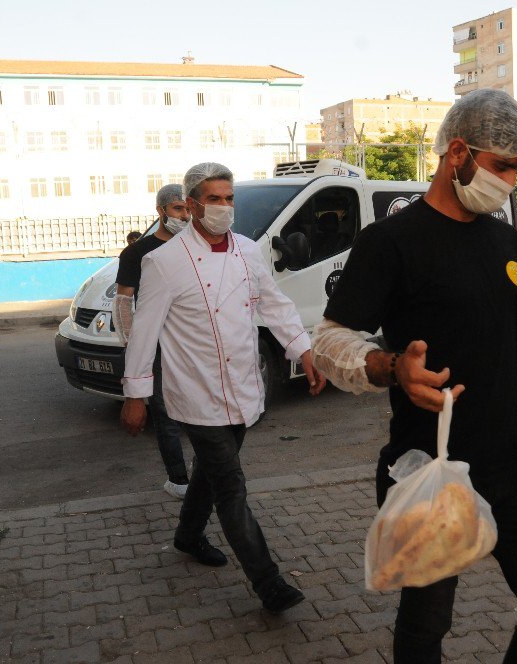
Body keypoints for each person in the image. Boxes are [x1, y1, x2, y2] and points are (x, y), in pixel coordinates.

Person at [313, 89, 517, 663]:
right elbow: (331, 340)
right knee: (426, 626)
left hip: (512, 461)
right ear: (457, 153)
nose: (511, 180)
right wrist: (391, 367)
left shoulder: (501, 235)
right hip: (428, 467)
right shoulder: (390, 241)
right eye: (503, 166)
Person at [120, 162, 326, 614]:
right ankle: (268, 582)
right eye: (214, 199)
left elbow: (274, 303)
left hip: (245, 386)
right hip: (196, 393)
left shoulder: (250, 252)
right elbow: (145, 332)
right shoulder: (163, 262)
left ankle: (187, 535)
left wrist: (303, 350)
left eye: (230, 198)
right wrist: (136, 395)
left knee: (213, 474)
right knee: (231, 485)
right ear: (192, 204)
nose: (224, 207)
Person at [113, 185, 196, 503]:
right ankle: (179, 479)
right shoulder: (137, 252)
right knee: (164, 413)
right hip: (157, 345)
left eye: (187, 210)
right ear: (161, 211)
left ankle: (204, 471)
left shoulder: (195, 247)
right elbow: (123, 302)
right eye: (177, 209)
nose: (184, 217)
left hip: (191, 342)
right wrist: (134, 347)